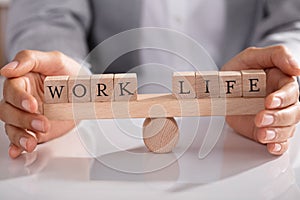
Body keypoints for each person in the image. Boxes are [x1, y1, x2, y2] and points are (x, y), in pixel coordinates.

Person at [0, 0, 300, 159]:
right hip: (101, 133)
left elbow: (293, 20)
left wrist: (278, 74)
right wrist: (61, 83)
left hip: (237, 132)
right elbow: (47, 13)